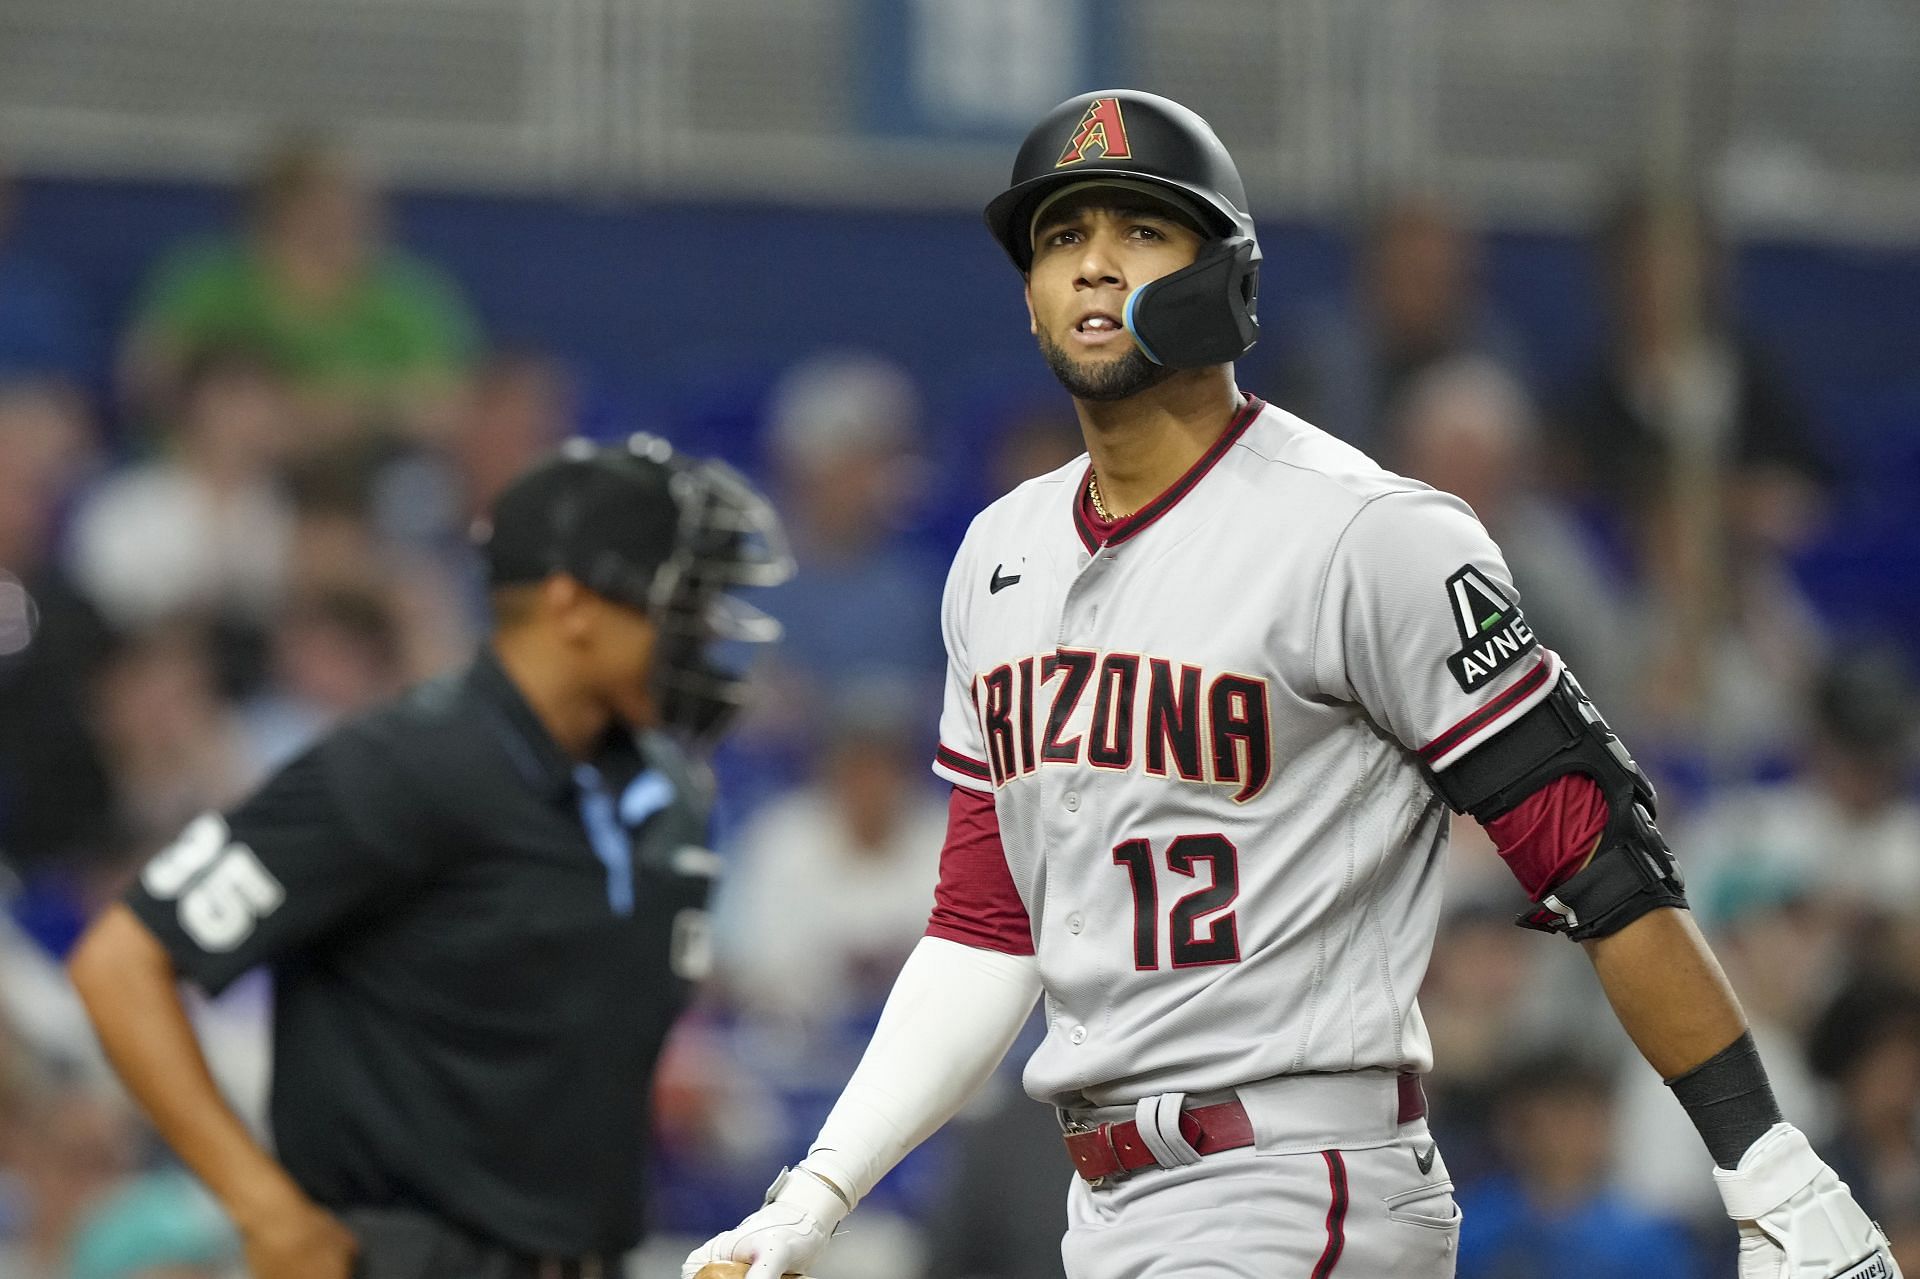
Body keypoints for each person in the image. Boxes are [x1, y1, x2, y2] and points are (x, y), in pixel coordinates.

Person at [685, 90, 1898, 1279]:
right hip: (1106, 1204)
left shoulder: (1366, 535)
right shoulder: (998, 558)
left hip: (1304, 1176)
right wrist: (821, 1189)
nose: (1093, 266)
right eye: (1061, 237)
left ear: (1228, 275)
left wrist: (1769, 1161)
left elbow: (1598, 851)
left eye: (1139, 230)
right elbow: (986, 928)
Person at [67, 434, 793, 1279]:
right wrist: (265, 1210)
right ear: (572, 605)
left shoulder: (668, 790)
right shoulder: (402, 765)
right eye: (681, 603)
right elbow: (122, 961)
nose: (704, 634)